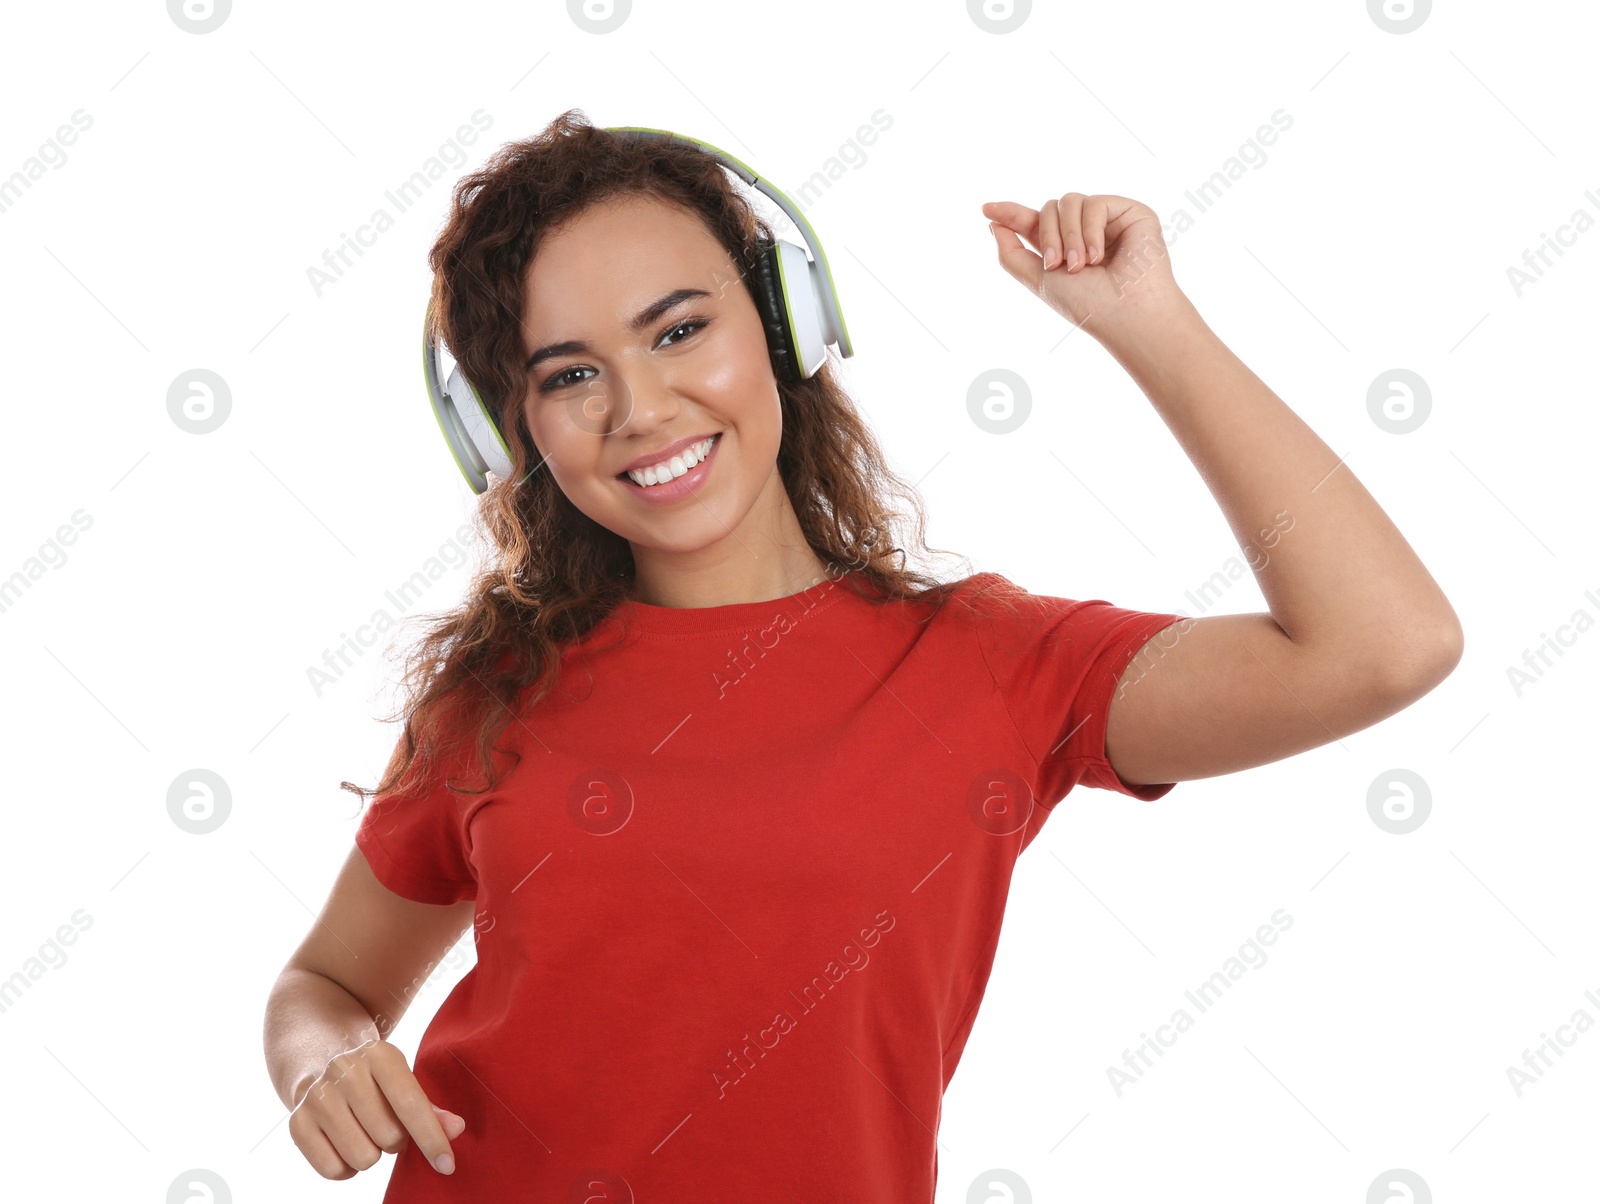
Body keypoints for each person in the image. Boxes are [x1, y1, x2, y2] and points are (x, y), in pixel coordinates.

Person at [262, 108, 1462, 1202]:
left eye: (679, 328)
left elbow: (1383, 647)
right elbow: (325, 987)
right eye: (569, 375)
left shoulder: (991, 665)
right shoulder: (496, 695)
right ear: (511, 431)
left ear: (784, 321)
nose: (638, 407)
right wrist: (328, 1060)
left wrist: (1146, 325)